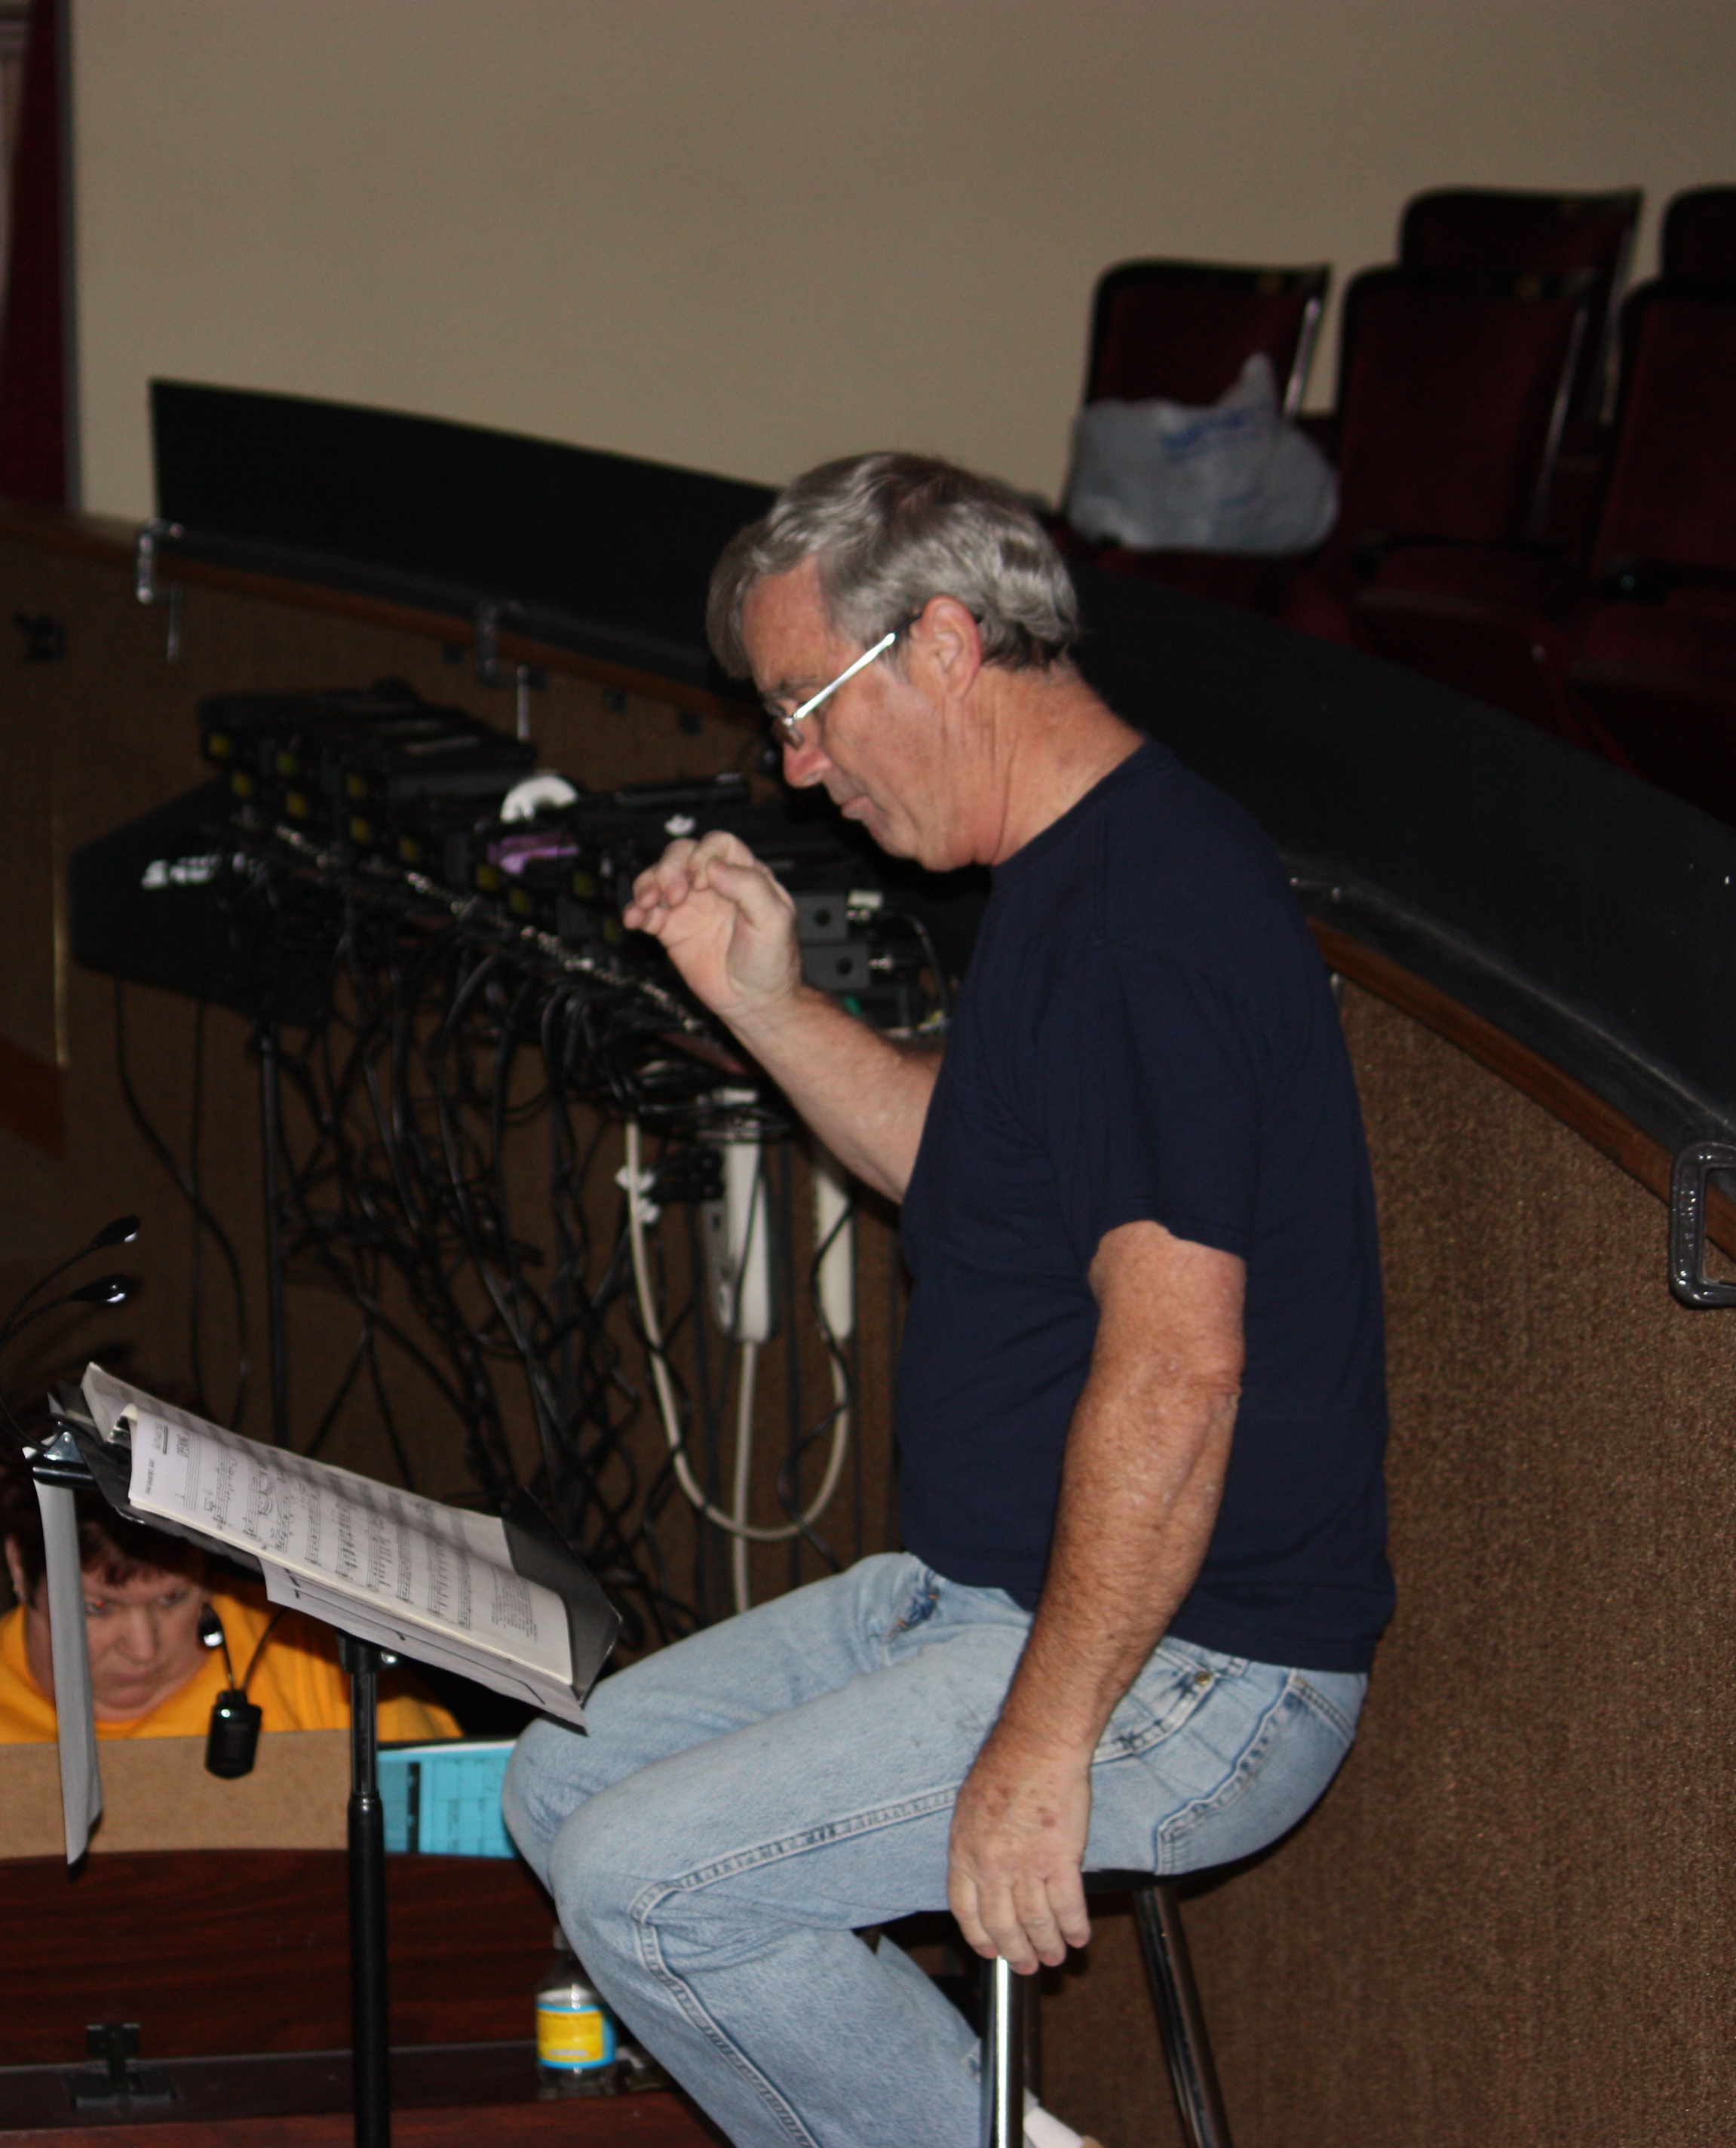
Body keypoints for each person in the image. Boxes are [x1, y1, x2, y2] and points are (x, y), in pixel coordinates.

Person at [502, 454, 1392, 2148]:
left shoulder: (1148, 916)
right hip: (985, 1592)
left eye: (805, 706)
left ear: (944, 643)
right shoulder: (1061, 872)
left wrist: (1043, 1744)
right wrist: (762, 1003)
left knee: (646, 1885)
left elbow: (1180, 1369)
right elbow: (973, 1166)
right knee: (564, 1776)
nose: (795, 763)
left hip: (1192, 1658)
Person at [0, 1424, 459, 1746]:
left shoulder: (318, 1664)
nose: (144, 1650)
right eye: (98, 1607)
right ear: (19, 1569)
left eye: (172, 1599)